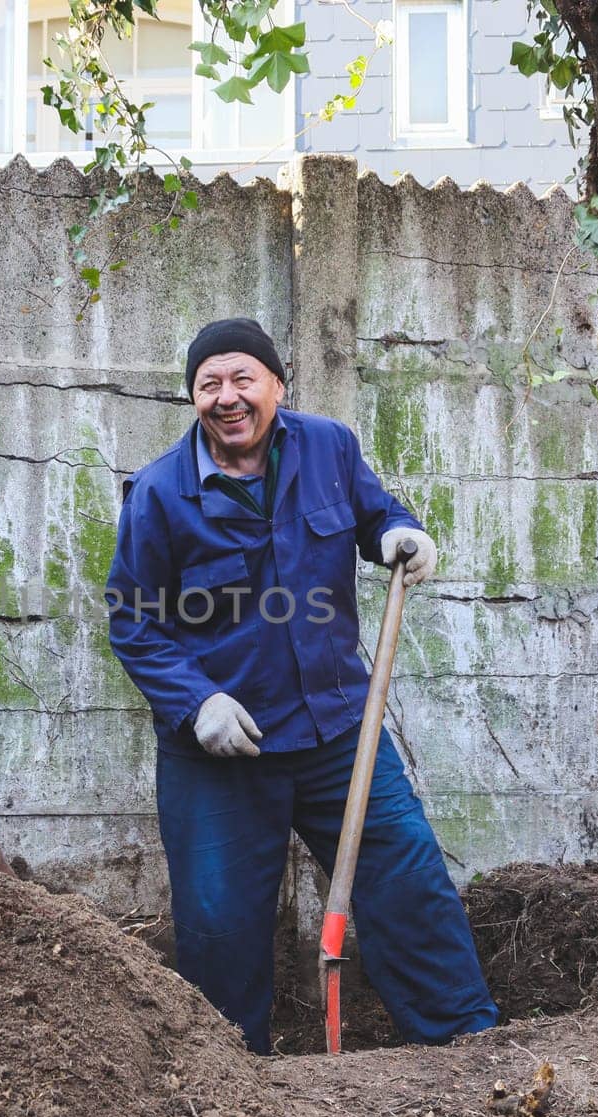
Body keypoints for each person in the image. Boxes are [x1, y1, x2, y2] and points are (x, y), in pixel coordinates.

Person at [105, 317, 499, 1054]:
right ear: (193, 396)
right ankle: (234, 1084)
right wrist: (198, 705)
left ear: (276, 385)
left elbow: (373, 510)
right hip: (225, 752)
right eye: (208, 384)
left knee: (409, 884)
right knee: (220, 925)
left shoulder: (329, 447)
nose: (227, 397)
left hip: (336, 731)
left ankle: (466, 1051)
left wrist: (398, 531)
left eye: (241, 378)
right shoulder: (161, 494)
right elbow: (132, 623)